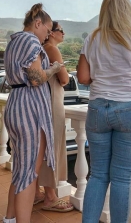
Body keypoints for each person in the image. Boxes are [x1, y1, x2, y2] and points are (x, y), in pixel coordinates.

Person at [77, 0, 131, 223]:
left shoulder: (92, 38)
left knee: (98, 175)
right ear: (127, 11)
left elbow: (83, 77)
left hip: (98, 110)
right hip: (129, 110)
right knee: (122, 178)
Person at [2, 3, 63, 223]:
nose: (47, 36)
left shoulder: (14, 42)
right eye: (47, 30)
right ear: (37, 23)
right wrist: (54, 69)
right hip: (30, 108)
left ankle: (10, 218)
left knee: (20, 170)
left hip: (16, 105)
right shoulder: (30, 40)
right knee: (29, 174)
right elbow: (36, 78)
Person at [36, 21, 74, 213]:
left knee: (40, 147)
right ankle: (50, 197)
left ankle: (37, 191)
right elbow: (65, 79)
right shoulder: (52, 50)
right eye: (61, 30)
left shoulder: (41, 49)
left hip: (42, 101)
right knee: (52, 146)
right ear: (51, 33)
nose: (64, 33)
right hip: (52, 101)